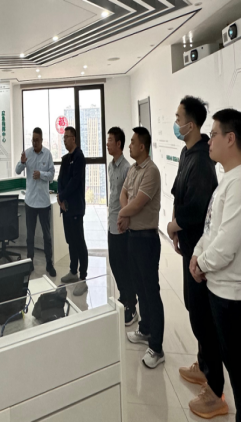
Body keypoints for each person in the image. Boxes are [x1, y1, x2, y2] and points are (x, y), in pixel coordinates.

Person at [188, 109, 241, 421]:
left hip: (235, 297)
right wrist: (197, 255)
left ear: (231, 138)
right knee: (238, 373)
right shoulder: (228, 180)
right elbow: (212, 230)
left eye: (214, 134)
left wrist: (201, 264)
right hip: (220, 290)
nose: (209, 141)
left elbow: (226, 244)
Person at [166, 96, 220, 389]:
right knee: (193, 307)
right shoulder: (186, 152)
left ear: (191, 124)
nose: (176, 123)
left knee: (201, 314)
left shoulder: (201, 159)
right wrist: (175, 228)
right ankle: (203, 363)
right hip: (187, 242)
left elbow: (198, 208)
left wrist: (174, 225)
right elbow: (178, 193)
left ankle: (213, 383)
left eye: (178, 118)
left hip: (200, 248)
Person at [121, 127, 164, 369]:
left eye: (132, 142)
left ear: (142, 146)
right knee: (139, 287)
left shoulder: (152, 171)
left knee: (151, 292)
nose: (129, 146)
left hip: (147, 239)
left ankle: (157, 348)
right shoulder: (133, 169)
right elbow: (124, 193)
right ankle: (145, 329)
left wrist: (123, 215)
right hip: (133, 237)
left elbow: (138, 203)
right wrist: (125, 214)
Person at [106, 127, 137, 326]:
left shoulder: (127, 168)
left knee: (125, 266)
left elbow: (131, 198)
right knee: (115, 263)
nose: (107, 144)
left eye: (110, 140)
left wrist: (125, 219)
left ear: (119, 144)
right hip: (111, 222)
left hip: (122, 225)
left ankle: (131, 305)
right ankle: (124, 296)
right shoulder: (111, 166)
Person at [16, 127, 57, 277]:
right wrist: (22, 162)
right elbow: (17, 171)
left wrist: (41, 175)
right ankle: (30, 262)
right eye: (33, 140)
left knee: (47, 236)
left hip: (44, 203)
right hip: (30, 202)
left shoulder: (47, 154)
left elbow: (52, 175)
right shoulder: (27, 153)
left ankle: (49, 264)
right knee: (30, 235)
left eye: (37, 140)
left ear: (42, 140)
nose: (34, 143)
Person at [58, 126, 88, 296]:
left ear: (74, 138)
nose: (64, 140)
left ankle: (83, 278)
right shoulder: (65, 158)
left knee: (79, 241)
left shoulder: (79, 157)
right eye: (63, 137)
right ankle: (72, 271)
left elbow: (75, 182)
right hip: (66, 208)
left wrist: (62, 196)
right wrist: (60, 198)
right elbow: (61, 180)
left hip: (75, 207)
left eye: (67, 137)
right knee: (70, 240)